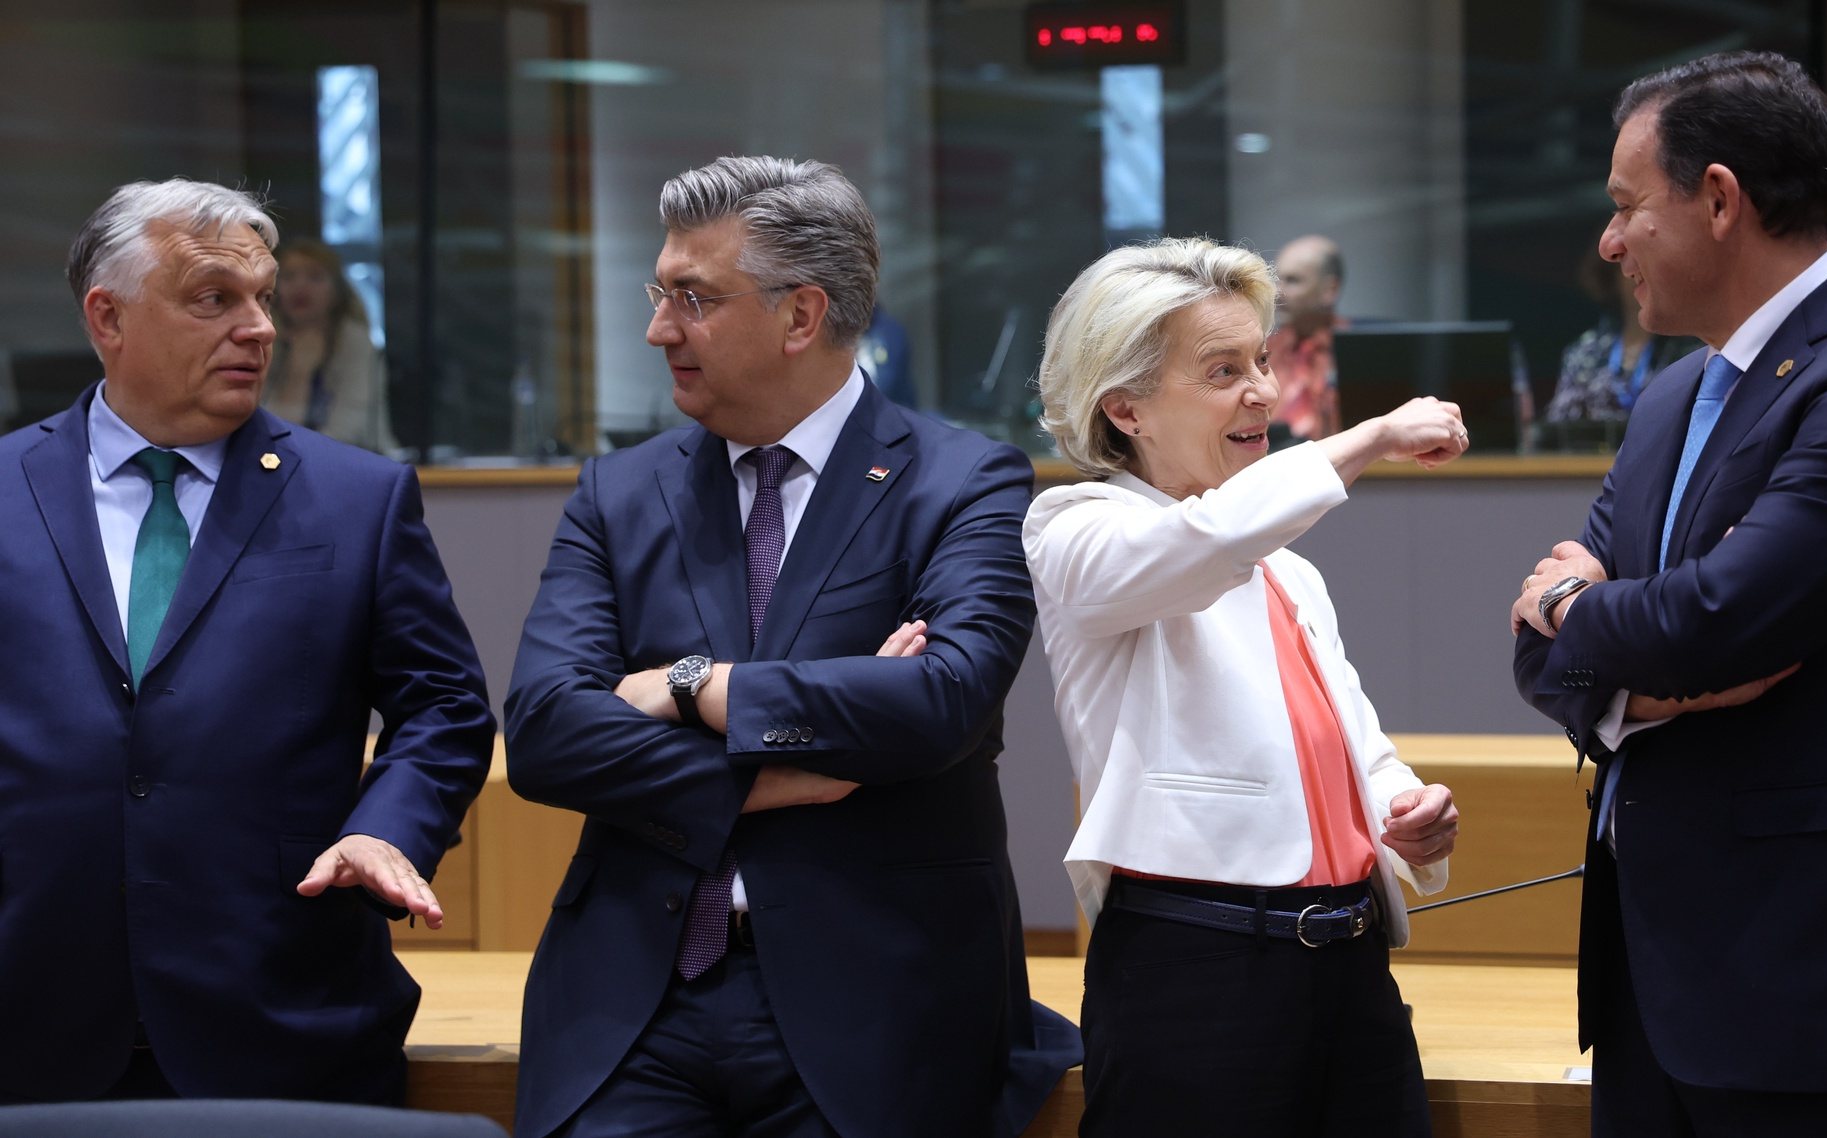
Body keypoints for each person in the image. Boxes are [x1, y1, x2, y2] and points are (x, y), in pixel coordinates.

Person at [504, 155, 1079, 1138]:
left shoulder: (963, 481)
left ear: (800, 315)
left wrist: (686, 686)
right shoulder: (618, 492)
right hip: (631, 1010)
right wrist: (771, 772)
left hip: (881, 1011)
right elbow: (547, 731)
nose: (657, 329)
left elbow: (939, 702)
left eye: (692, 298)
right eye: (661, 293)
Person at [1510, 51, 1827, 1136]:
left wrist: (1577, 609)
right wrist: (1609, 653)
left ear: (1719, 198)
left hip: (1825, 990)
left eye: (1624, 207)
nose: (1606, 241)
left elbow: (1710, 622)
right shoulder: (1671, 392)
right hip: (1650, 990)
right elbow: (1545, 659)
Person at [0, 179, 494, 1105]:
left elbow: (447, 709)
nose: (260, 326)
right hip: (29, 1017)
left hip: (281, 1015)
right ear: (107, 317)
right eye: (214, 299)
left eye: (263, 297)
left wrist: (385, 829)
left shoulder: (357, 499)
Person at [1026, 236, 1467, 1136]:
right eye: (1224, 370)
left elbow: (1359, 748)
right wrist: (1374, 435)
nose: (1263, 392)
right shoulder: (1074, 526)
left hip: (1349, 964)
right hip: (1196, 971)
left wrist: (1405, 808)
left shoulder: (1286, 569)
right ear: (1126, 407)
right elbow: (1202, 547)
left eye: (1262, 360)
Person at [1541, 253, 1697, 448]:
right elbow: (1555, 426)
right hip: (1585, 466)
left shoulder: (1692, 349)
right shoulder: (1584, 350)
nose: (1637, 273)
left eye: (1646, 263)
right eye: (1627, 263)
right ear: (1611, 275)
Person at [264, 239, 397, 453]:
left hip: (356, 462)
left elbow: (349, 429)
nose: (300, 286)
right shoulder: (266, 339)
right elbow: (265, 429)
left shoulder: (357, 342)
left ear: (336, 291)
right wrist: (299, 375)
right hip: (283, 462)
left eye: (314, 276)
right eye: (288, 276)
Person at [1268, 233, 1351, 441]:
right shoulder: (1264, 349)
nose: (1278, 292)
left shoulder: (1358, 350)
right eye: (1277, 280)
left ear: (1330, 289)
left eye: (1293, 281)